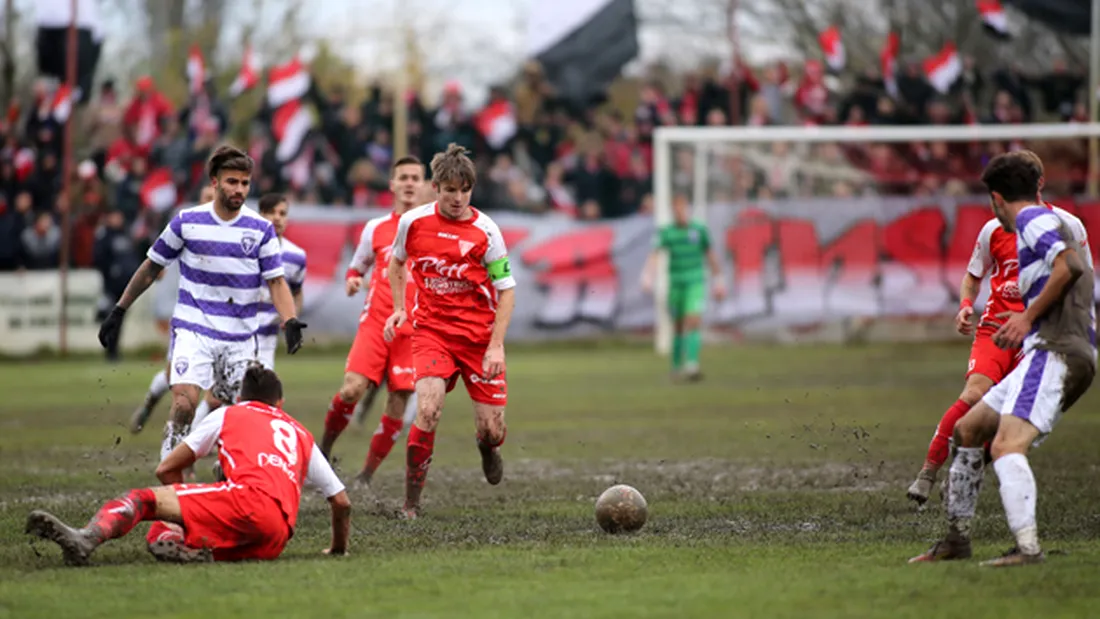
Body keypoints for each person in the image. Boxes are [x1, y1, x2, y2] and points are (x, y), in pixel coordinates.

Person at [910, 151, 1095, 567]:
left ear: (996, 198)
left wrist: (1027, 316)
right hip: (1046, 349)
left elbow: (1071, 267)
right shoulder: (1053, 222)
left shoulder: (1032, 220)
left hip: (1056, 349)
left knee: (1007, 445)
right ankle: (956, 540)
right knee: (969, 427)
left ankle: (1027, 549)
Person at [98, 145, 307, 464]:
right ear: (214, 182)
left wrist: (290, 320)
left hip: (239, 339)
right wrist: (119, 309)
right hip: (193, 328)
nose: (239, 189)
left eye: (245, 183)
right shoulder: (187, 221)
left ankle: (230, 472)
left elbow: (277, 282)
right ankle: (170, 475)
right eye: (232, 182)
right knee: (184, 403)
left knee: (243, 413)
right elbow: (151, 267)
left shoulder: (260, 229)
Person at [25, 364, 351, 565]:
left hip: (245, 501)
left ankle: (87, 537)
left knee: (144, 500)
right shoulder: (299, 432)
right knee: (160, 534)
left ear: (241, 398)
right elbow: (341, 502)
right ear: (280, 403)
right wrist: (337, 550)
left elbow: (166, 467)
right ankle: (192, 551)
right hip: (276, 536)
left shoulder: (229, 413)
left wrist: (179, 501)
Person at [384, 144, 516, 518]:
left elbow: (506, 291)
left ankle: (488, 447)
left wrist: (496, 346)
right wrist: (398, 309)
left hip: (478, 340)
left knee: (492, 429)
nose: (458, 198)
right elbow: (396, 265)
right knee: (427, 408)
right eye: (450, 190)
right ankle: (410, 504)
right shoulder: (413, 223)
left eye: (465, 190)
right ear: (436, 188)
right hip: (432, 332)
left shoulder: (486, 231)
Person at [320, 157, 425, 483]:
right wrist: (352, 279)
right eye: (403, 177)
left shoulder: (434, 229)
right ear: (392, 185)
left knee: (398, 401)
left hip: (414, 329)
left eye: (415, 178)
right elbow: (357, 267)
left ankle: (365, 475)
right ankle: (322, 453)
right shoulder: (375, 228)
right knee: (352, 390)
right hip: (377, 321)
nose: (409, 183)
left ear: (423, 186)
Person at [189, 193, 308, 432]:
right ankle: (190, 443)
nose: (277, 218)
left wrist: (290, 319)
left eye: (282, 213)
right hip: (235, 334)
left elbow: (295, 292)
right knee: (217, 398)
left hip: (266, 338)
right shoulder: (243, 248)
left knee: (262, 396)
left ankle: (245, 448)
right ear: (260, 217)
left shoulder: (296, 257)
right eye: (271, 213)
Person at [130, 184, 216, 434]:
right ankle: (150, 403)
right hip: (188, 316)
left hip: (221, 320)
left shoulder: (233, 231)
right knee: (174, 379)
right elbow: (158, 261)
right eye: (207, 197)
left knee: (216, 391)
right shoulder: (186, 228)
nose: (212, 202)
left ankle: (188, 445)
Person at [640, 194, 726, 380]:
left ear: (687, 208)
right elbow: (655, 255)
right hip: (676, 283)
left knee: (693, 320)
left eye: (682, 208)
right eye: (676, 209)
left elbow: (710, 255)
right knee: (678, 326)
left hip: (695, 281)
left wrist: (719, 281)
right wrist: (648, 276)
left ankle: (692, 364)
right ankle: (676, 366)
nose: (680, 212)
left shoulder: (699, 230)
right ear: (673, 211)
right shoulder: (667, 232)